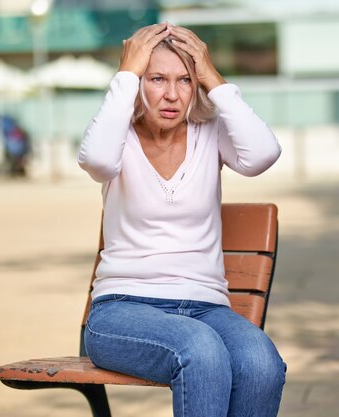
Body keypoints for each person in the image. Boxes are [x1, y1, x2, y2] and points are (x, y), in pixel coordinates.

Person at [77, 23, 285, 417]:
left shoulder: (211, 132)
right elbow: (98, 160)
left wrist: (214, 77)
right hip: (122, 309)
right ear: (138, 80)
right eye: (156, 78)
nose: (172, 94)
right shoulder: (117, 136)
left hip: (206, 308)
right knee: (200, 351)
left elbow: (263, 155)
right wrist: (125, 74)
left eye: (185, 80)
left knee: (262, 364)